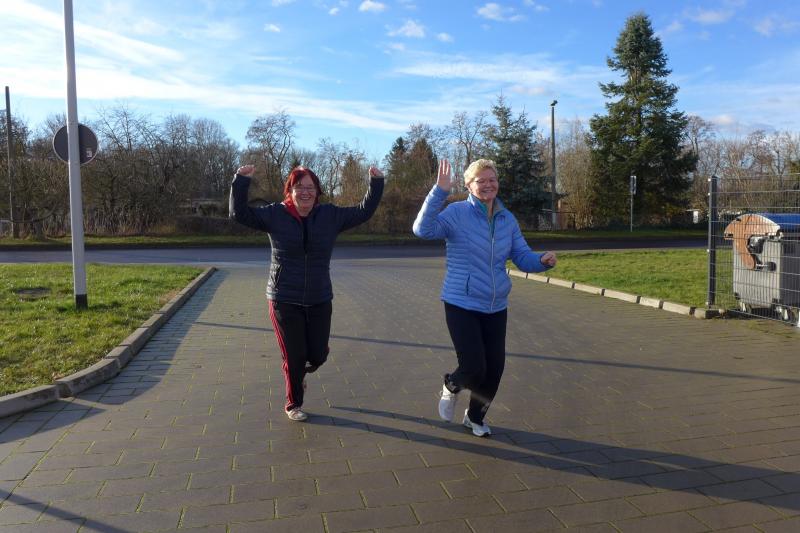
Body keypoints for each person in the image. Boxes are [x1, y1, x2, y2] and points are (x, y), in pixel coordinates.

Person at [413, 158, 557, 437]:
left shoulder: (506, 219)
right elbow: (422, 229)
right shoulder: (456, 213)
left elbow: (521, 255)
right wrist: (439, 192)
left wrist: (541, 261)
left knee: (494, 370)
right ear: (469, 185)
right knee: (473, 366)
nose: (488, 185)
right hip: (461, 302)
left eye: (492, 180)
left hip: (496, 305)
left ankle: (475, 418)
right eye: (481, 181)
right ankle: (451, 385)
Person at [230, 164, 384, 421]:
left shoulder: (330, 216)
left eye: (310, 187)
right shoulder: (275, 214)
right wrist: (240, 181)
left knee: (317, 355)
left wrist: (376, 183)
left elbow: (363, 211)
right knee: (294, 355)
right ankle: (294, 403)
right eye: (299, 186)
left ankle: (301, 372)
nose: (305, 192)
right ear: (289, 190)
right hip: (283, 297)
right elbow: (239, 214)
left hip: (319, 296)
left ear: (317, 191)